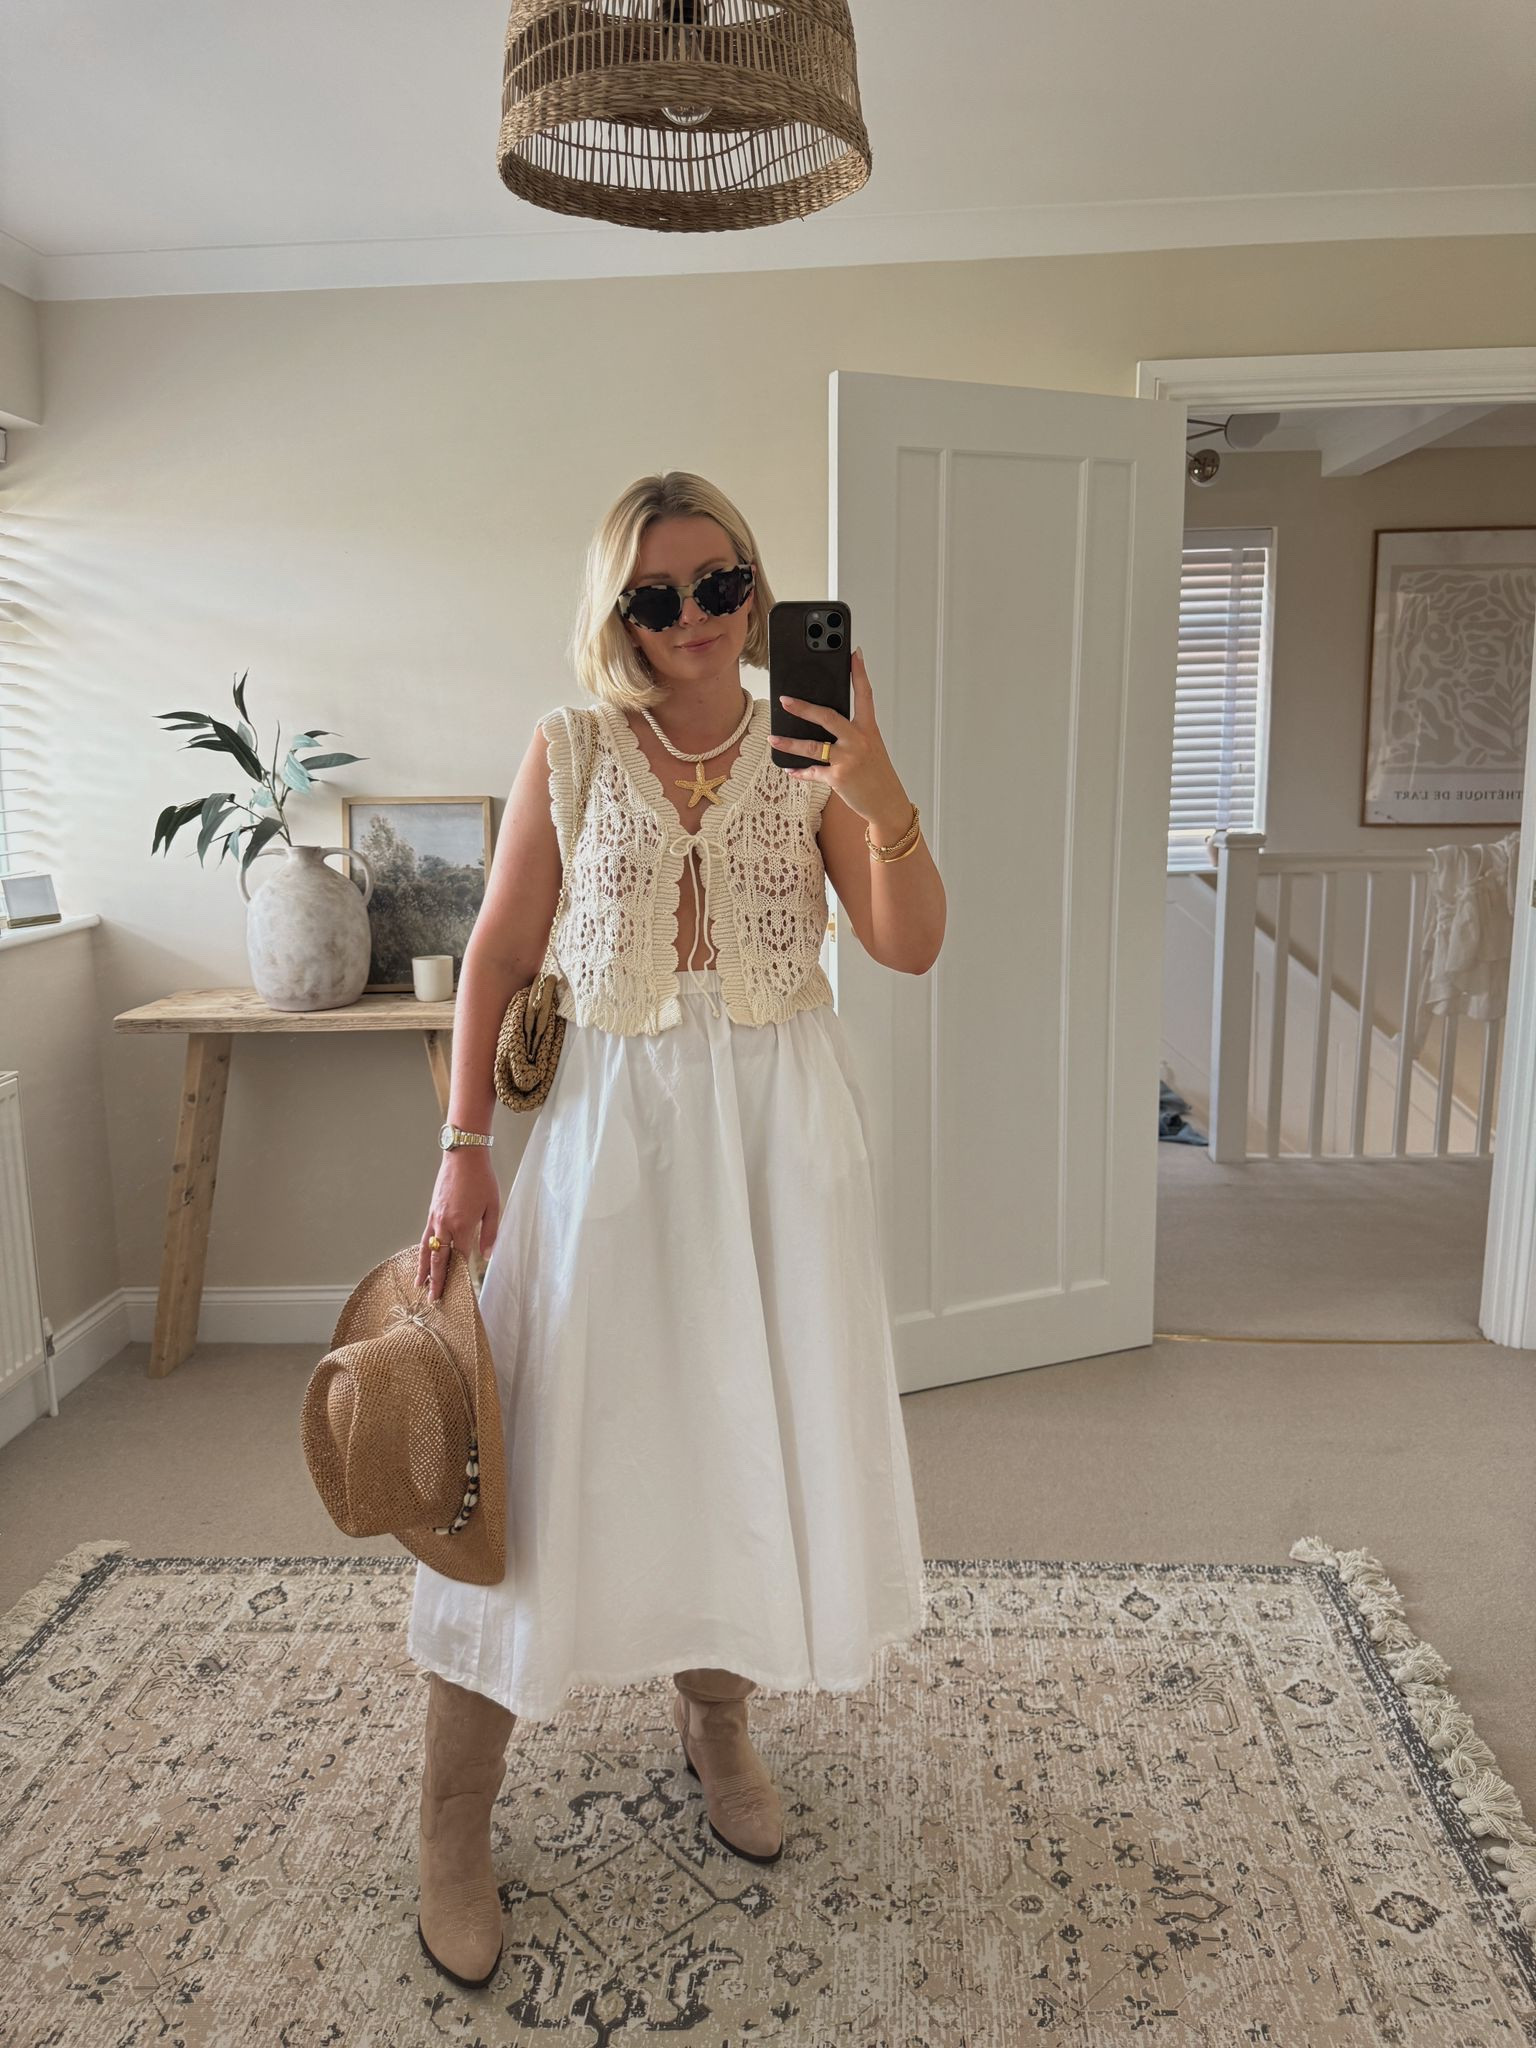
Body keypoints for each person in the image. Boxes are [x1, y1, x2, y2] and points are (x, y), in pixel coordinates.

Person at [405, 470, 946, 1989]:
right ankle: (455, 1819)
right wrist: (464, 1150)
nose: (697, 618)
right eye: (659, 595)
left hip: (782, 1140)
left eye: (723, 585)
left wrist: (876, 774)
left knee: (739, 1436)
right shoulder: (571, 752)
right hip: (612, 1144)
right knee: (537, 1465)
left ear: (760, 589)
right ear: (616, 611)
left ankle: (719, 1723)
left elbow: (908, 943)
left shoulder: (811, 737)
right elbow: (500, 959)